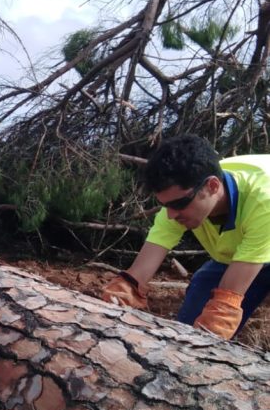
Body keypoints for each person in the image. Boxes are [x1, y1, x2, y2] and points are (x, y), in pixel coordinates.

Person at [101, 135, 270, 339]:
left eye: (179, 205)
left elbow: (227, 301)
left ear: (213, 187)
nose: (171, 215)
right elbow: (138, 273)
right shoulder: (178, 198)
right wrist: (124, 290)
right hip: (241, 254)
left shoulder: (264, 202)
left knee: (217, 319)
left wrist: (218, 321)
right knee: (189, 331)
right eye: (166, 206)